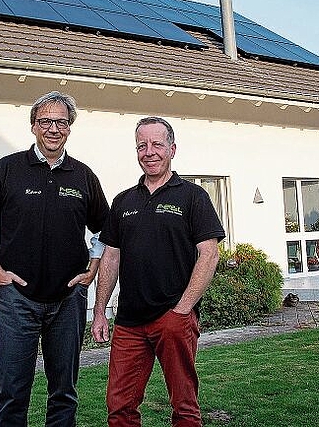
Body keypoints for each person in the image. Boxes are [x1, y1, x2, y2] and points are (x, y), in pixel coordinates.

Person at [0, 91, 109, 427]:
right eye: (46, 121)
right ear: (33, 126)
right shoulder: (8, 169)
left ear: (70, 128)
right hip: (18, 300)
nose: (53, 129)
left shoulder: (83, 176)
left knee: (64, 392)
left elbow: (104, 230)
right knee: (12, 391)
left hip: (68, 301)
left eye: (62, 122)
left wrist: (91, 269)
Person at [91, 116, 225, 427]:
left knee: (184, 407)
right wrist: (99, 311)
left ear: (172, 149)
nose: (149, 152)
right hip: (129, 322)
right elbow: (111, 257)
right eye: (142, 145)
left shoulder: (193, 197)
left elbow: (209, 254)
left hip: (173, 317)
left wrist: (183, 309)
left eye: (157, 144)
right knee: (119, 408)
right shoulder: (123, 201)